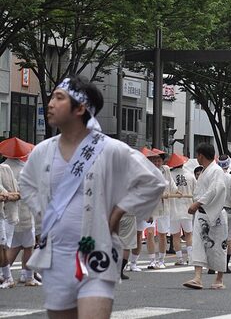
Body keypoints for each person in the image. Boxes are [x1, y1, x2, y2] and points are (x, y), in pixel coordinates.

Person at [19, 76, 165, 319]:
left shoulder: (110, 149)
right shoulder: (44, 151)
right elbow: (27, 183)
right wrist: (42, 213)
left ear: (80, 108)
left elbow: (153, 181)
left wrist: (119, 210)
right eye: (52, 97)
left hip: (96, 251)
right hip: (57, 253)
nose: (50, 103)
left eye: (59, 97)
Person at [184, 142, 227, 291]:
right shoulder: (206, 170)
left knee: (218, 246)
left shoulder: (216, 170)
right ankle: (197, 277)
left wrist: (198, 203)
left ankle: (219, 278)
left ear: (200, 155)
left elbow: (217, 189)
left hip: (215, 213)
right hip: (202, 213)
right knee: (198, 245)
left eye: (197, 155)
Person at [4, 153, 38, 286]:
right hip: (25, 213)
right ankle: (28, 276)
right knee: (28, 245)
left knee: (12, 245)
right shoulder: (26, 168)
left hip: (8, 212)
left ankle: (5, 273)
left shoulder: (2, 168)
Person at [144, 149, 176, 269]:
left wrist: (176, 191)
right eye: (154, 161)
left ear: (162, 161)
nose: (156, 163)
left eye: (159, 160)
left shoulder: (166, 170)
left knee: (162, 234)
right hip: (151, 207)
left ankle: (161, 260)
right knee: (150, 233)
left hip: (164, 206)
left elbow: (171, 184)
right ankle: (152, 260)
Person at [168, 153, 195, 266]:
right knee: (189, 234)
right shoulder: (190, 175)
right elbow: (195, 190)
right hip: (187, 208)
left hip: (173, 209)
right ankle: (190, 257)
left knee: (176, 235)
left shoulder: (169, 175)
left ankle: (179, 259)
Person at [0, 159, 20, 289]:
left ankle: (8, 277)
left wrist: (7, 196)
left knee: (2, 247)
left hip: (4, 216)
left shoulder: (5, 169)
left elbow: (5, 194)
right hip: (4, 215)